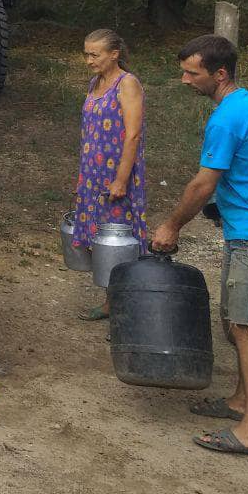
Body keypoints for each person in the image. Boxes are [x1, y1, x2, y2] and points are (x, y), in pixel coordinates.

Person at [151, 35, 248, 455]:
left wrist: (172, 225)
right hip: (245, 227)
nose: (183, 80)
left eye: (191, 72)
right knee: (240, 322)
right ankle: (240, 401)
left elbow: (202, 185)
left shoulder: (227, 119)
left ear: (219, 73)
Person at [73, 29, 148, 321]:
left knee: (118, 234)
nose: (89, 60)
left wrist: (121, 179)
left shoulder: (126, 84)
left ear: (114, 54)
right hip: (93, 172)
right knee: (100, 236)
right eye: (86, 54)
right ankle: (114, 299)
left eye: (95, 54)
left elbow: (133, 134)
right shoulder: (96, 82)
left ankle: (123, 301)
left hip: (117, 172)